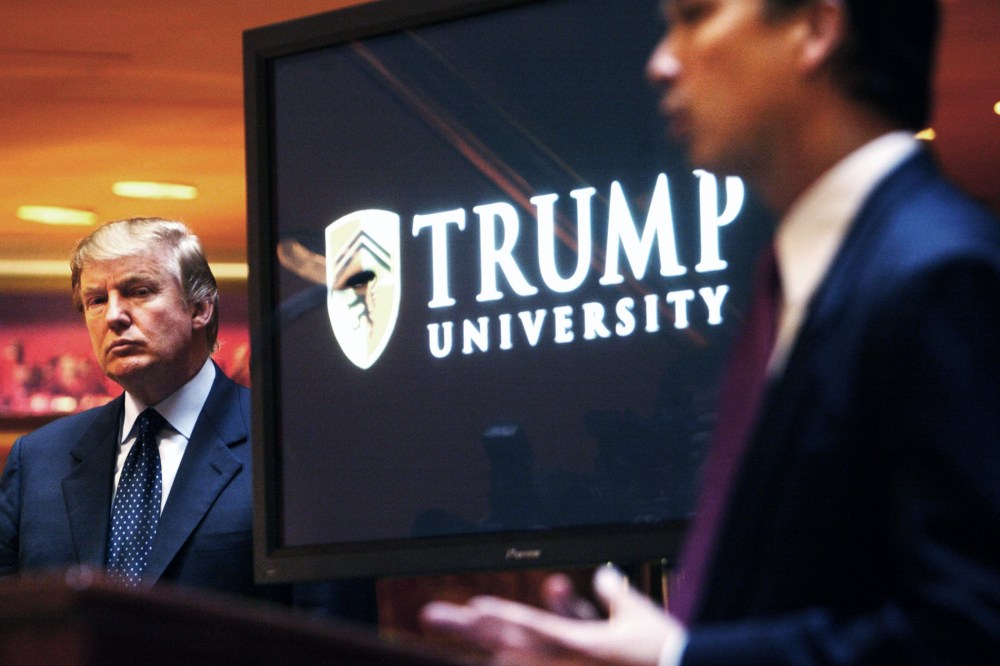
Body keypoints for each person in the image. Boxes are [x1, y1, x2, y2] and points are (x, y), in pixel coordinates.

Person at [420, 0, 1000, 664]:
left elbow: (969, 634)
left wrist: (679, 660)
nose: (660, 62)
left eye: (695, 16)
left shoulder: (940, 272)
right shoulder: (803, 278)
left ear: (815, 28)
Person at [0, 217, 376, 620]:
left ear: (200, 307)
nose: (113, 316)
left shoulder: (293, 446)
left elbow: (335, 631)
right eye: (95, 300)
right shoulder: (39, 459)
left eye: (138, 291)